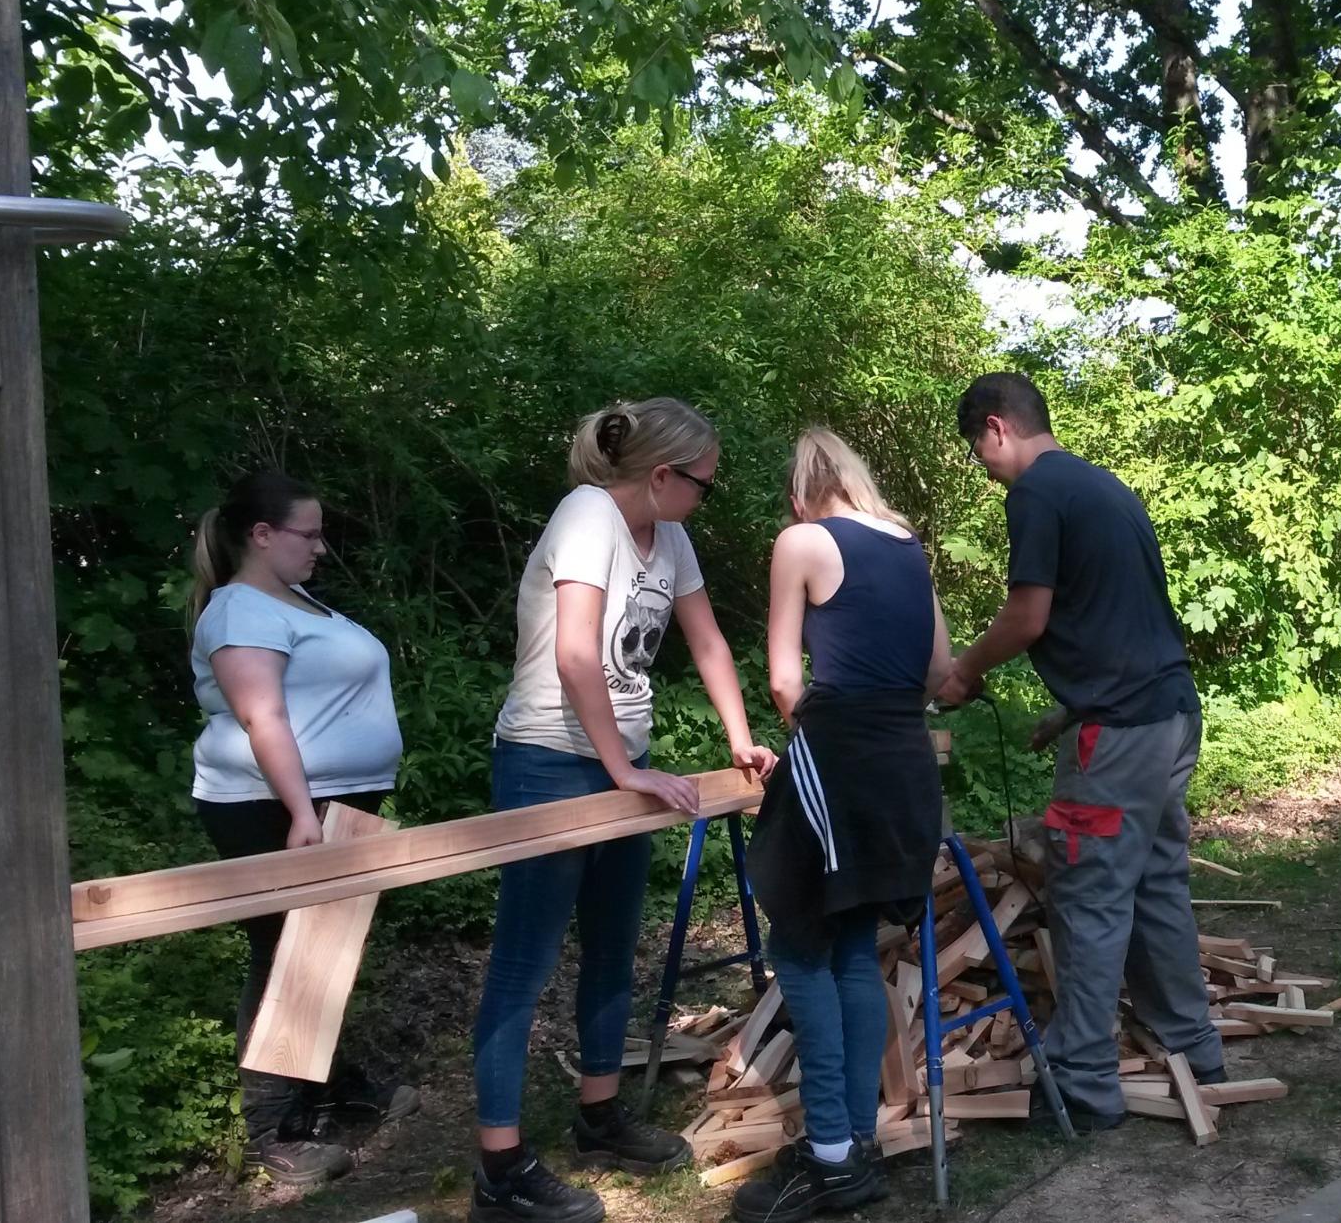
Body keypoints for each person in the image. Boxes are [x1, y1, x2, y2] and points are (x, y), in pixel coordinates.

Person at [470, 399, 777, 1223]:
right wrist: (622, 772)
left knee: (613, 946)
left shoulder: (669, 537)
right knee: (525, 961)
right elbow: (575, 654)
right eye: (704, 486)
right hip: (546, 760)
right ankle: (497, 1171)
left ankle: (598, 1116)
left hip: (620, 763)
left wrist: (741, 739)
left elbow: (707, 640)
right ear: (663, 475)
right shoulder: (587, 516)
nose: (705, 500)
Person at [935, 371, 1222, 1130]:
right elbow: (1122, 620)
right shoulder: (1104, 487)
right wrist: (1067, 713)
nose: (984, 466)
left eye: (977, 450)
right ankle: (1192, 1041)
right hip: (1168, 716)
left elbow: (1029, 617)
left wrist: (963, 669)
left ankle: (1084, 1082)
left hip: (1120, 734)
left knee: (1089, 896)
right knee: (1156, 881)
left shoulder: (1034, 494)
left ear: (997, 429)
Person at [731, 428, 950, 1222]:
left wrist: (806, 746)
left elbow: (787, 681)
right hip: (906, 760)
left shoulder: (801, 541)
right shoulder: (908, 547)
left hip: (840, 756)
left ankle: (827, 1156)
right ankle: (852, 1142)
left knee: (797, 940)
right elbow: (938, 672)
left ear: (800, 492)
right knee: (855, 947)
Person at [186, 469, 419, 1187]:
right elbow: (263, 717)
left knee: (324, 951)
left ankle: (330, 1082)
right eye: (308, 534)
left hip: (337, 802)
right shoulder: (238, 610)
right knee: (284, 952)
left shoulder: (298, 601)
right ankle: (275, 1127)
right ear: (262, 535)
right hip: (272, 806)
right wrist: (297, 813)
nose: (321, 547)